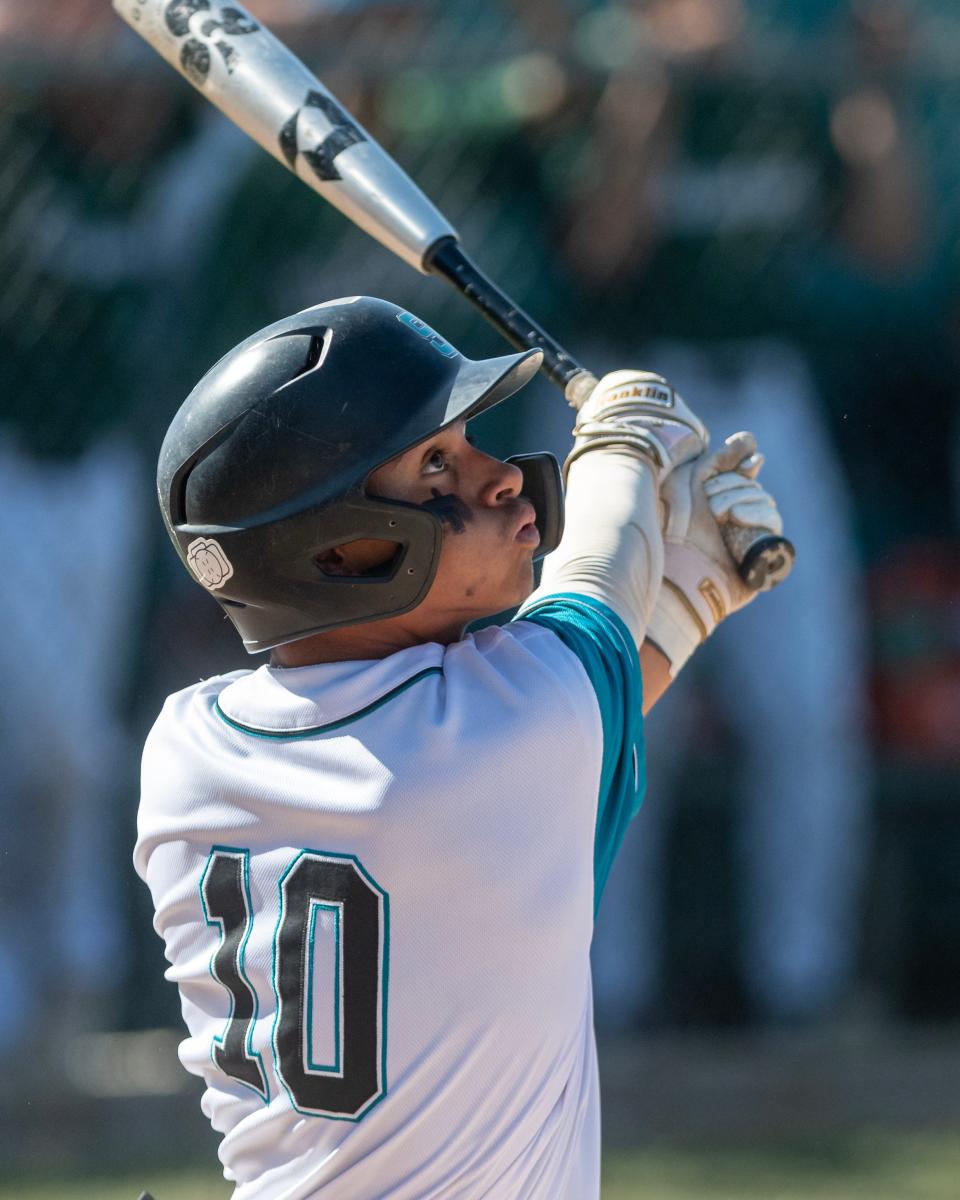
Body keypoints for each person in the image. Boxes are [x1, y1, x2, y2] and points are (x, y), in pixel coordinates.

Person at [135, 295, 786, 1198]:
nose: (500, 478)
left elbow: (555, 722)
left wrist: (691, 585)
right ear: (341, 551)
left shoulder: (186, 752)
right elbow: (601, 570)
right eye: (436, 464)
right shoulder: (508, 727)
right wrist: (625, 441)